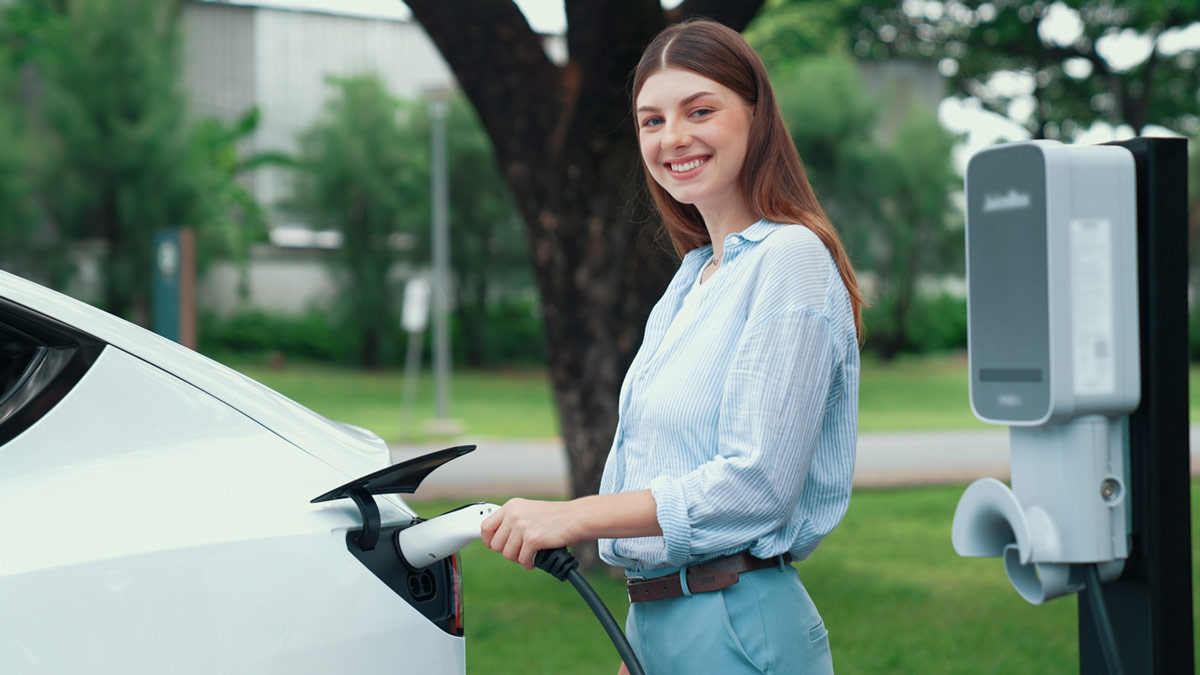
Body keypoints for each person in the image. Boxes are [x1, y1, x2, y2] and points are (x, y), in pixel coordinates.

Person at [481, 18, 863, 674]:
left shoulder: (790, 257)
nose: (673, 137)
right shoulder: (692, 280)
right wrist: (646, 632)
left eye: (700, 110)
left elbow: (758, 482)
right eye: (651, 120)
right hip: (658, 620)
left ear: (757, 115)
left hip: (737, 621)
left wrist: (576, 517)